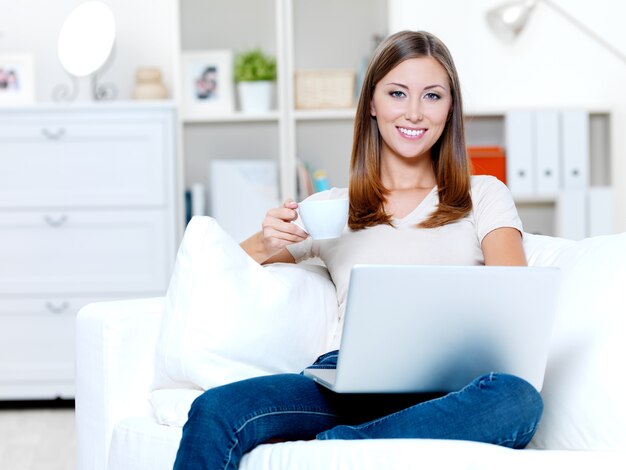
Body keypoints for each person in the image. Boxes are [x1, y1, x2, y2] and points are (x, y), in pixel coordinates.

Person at [173, 30, 542, 470]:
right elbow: (221, 270)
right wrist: (265, 240)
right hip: (344, 384)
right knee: (216, 410)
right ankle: (354, 448)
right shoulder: (330, 208)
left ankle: (338, 450)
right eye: (397, 93)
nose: (413, 112)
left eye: (432, 96)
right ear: (371, 102)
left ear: (450, 108)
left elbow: (514, 306)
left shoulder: (483, 194)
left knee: (517, 399)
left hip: (449, 391)